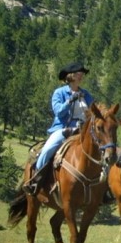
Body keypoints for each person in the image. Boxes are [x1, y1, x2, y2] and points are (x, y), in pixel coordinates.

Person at [24, 61, 93, 195]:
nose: (81, 76)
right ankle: (36, 180)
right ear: (71, 76)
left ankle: (103, 188)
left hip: (83, 131)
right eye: (79, 73)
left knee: (102, 149)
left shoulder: (86, 94)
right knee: (48, 149)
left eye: (82, 74)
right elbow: (58, 112)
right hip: (63, 129)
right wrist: (70, 100)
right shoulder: (59, 93)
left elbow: (93, 111)